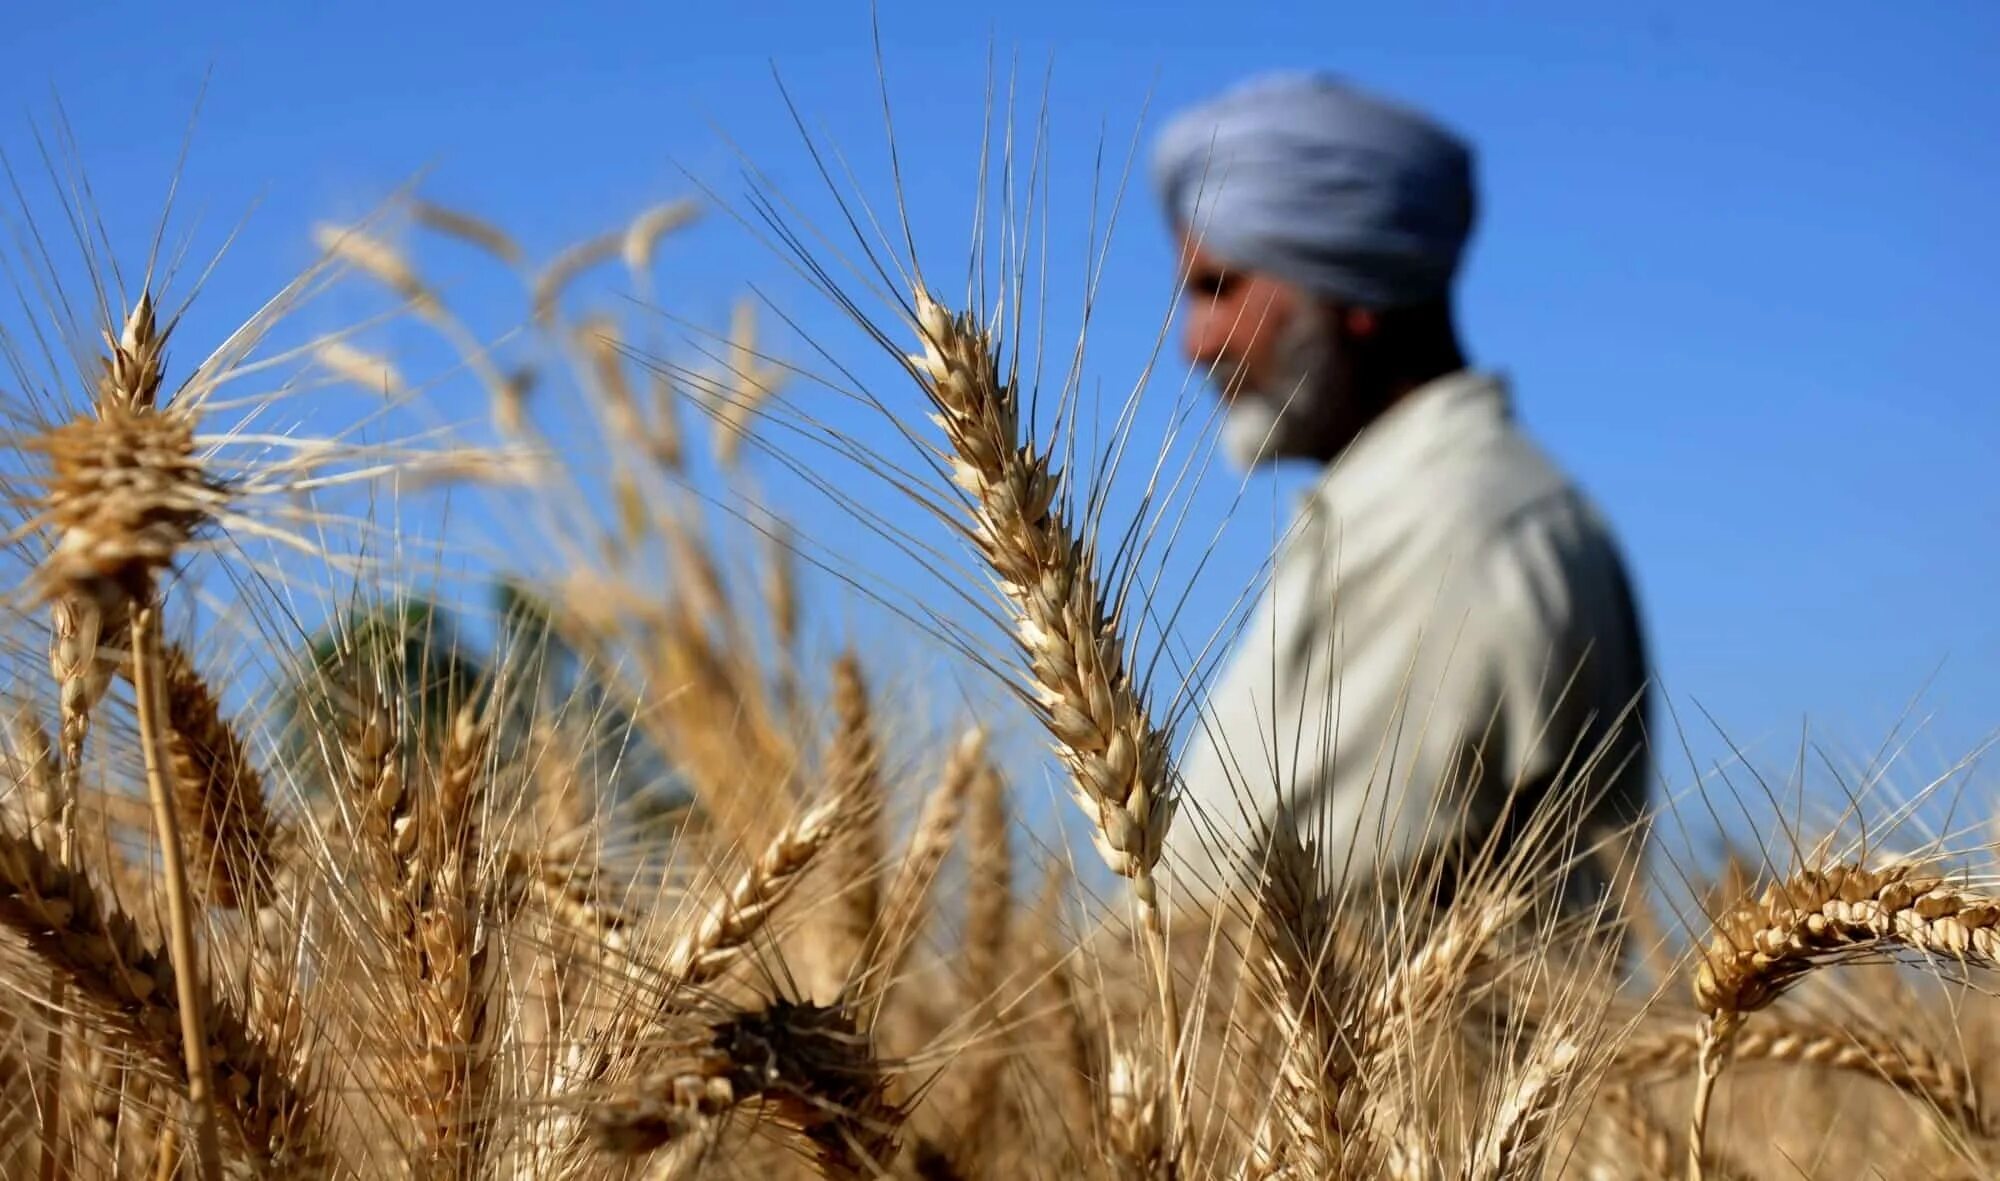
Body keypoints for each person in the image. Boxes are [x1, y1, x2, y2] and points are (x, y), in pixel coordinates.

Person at [1152, 73, 1652, 918]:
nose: (1195, 346)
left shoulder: (1451, 527)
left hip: (1393, 1055)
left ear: (1350, 290)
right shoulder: (1421, 505)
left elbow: (1248, 914)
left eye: (1219, 287)